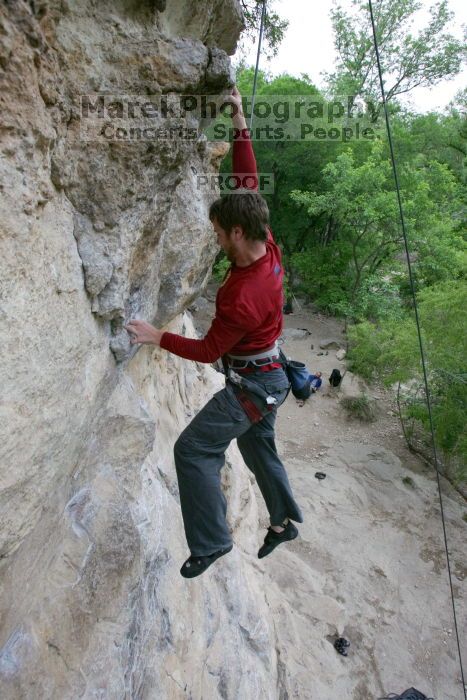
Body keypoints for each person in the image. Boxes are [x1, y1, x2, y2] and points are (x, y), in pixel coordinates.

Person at [125, 87, 303, 579]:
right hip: (271, 377)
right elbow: (246, 179)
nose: (216, 238)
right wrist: (239, 120)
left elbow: (207, 352)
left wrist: (155, 335)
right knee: (255, 446)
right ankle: (285, 520)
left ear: (238, 235)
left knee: (194, 449)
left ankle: (211, 541)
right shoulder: (266, 245)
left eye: (220, 233)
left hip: (254, 387)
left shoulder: (240, 295)